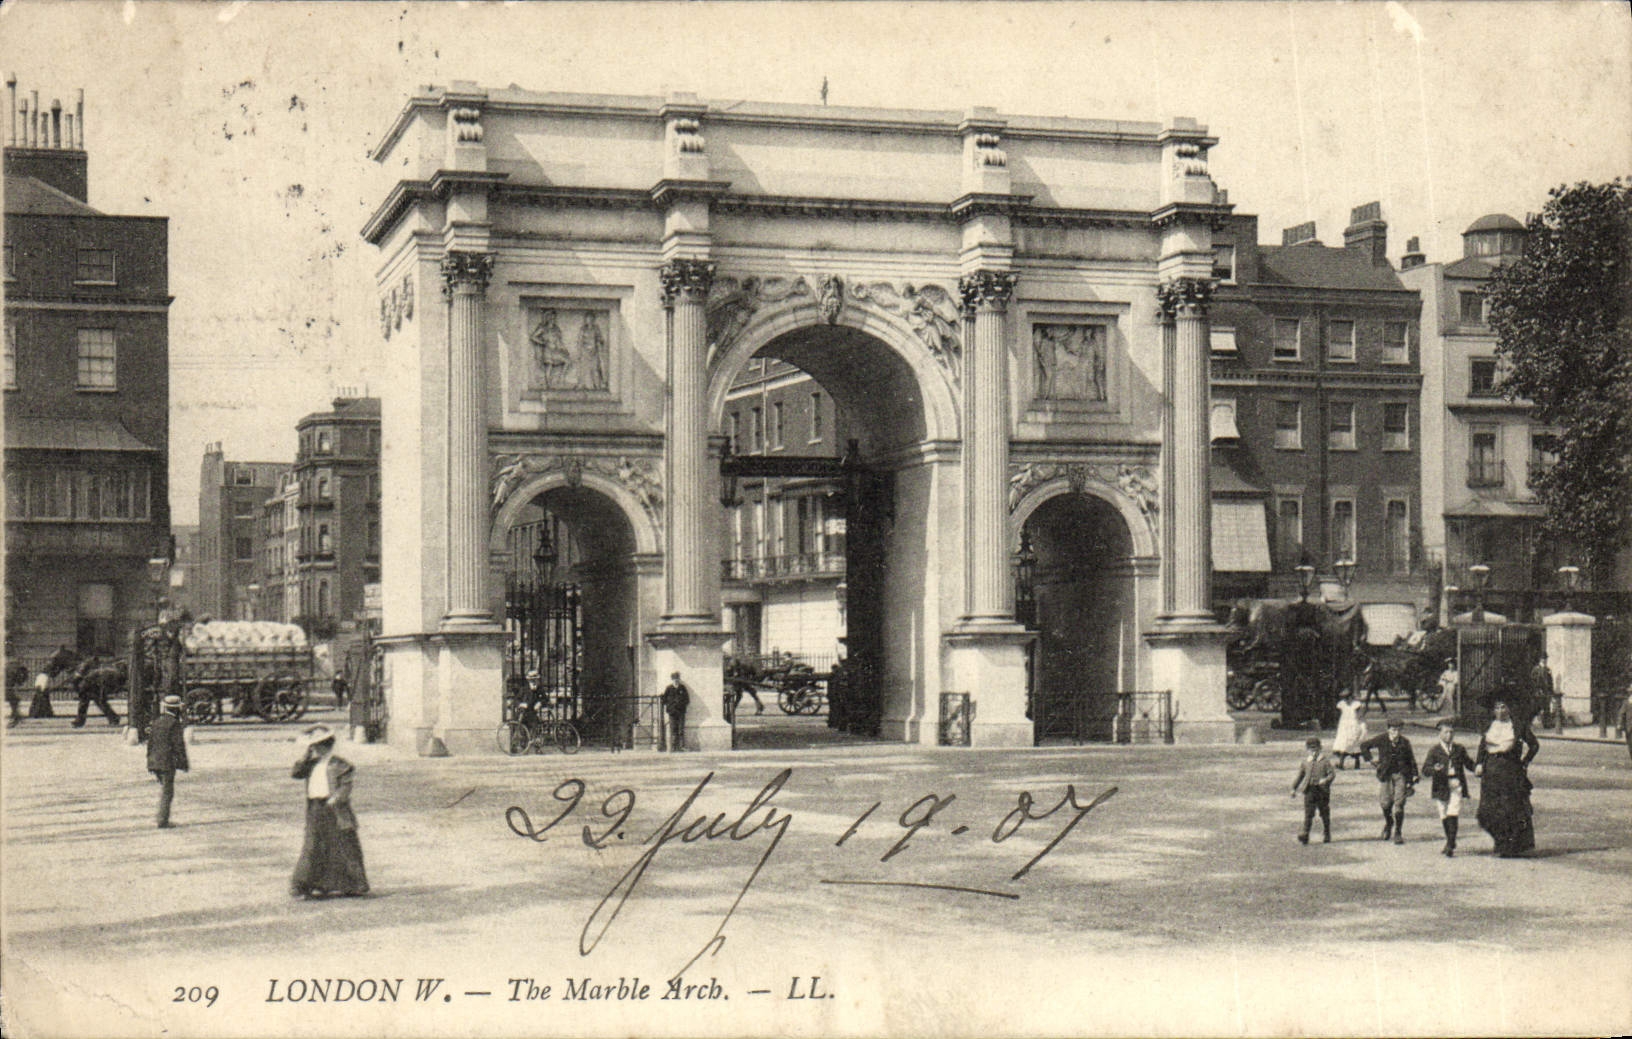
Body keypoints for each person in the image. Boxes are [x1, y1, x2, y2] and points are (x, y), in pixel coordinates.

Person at [290, 726, 369, 899]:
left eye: (318, 746)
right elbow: (296, 773)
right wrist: (305, 757)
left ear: (326, 745)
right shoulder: (310, 764)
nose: (316, 749)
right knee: (313, 845)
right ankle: (303, 885)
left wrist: (337, 798)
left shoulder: (340, 764)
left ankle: (352, 884)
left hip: (333, 808)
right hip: (315, 808)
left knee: (342, 845)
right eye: (313, 746)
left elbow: (346, 786)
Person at [1476, 701, 1540, 858]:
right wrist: (1479, 763)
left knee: (1509, 808)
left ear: (1510, 709)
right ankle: (1500, 840)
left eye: (1503, 707)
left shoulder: (1518, 726)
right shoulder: (1489, 725)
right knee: (1489, 809)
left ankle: (1510, 845)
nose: (1499, 711)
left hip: (1510, 770)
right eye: (1496, 707)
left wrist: (1524, 762)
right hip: (1491, 770)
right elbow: (1482, 746)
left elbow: (1534, 745)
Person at [1420, 718, 1475, 857]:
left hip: (1456, 784)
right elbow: (1425, 770)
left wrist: (1479, 769)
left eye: (1451, 732)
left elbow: (1469, 763)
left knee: (1453, 811)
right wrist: (1434, 769)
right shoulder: (1435, 751)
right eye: (1446, 732)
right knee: (1443, 813)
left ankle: (1450, 844)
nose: (1449, 735)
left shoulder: (1459, 749)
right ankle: (1450, 839)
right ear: (1439, 734)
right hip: (1440, 785)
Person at [1361, 716, 1418, 844]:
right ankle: (1389, 822)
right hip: (1386, 775)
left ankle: (1398, 832)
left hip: (1401, 775)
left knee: (1399, 803)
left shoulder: (1405, 742)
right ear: (1388, 730)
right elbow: (1364, 746)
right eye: (1393, 730)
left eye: (1398, 730)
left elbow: (1411, 760)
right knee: (1385, 803)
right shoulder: (1382, 739)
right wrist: (1371, 760)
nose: (1395, 733)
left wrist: (1414, 775)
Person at [146, 693, 189, 828]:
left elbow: (150, 743)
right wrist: (183, 764)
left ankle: (160, 816)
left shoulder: (157, 722)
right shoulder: (174, 724)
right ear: (177, 709)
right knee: (167, 791)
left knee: (164, 789)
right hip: (167, 762)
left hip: (154, 761)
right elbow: (178, 746)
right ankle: (162, 820)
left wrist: (150, 762)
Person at [1290, 736, 1336, 844]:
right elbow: (1300, 776)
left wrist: (1326, 780)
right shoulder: (1306, 762)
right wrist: (1293, 788)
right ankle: (1305, 834)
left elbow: (1332, 774)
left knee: (1324, 812)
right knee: (1308, 813)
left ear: (1320, 748)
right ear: (1307, 749)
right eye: (1310, 749)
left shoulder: (1325, 761)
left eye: (1315, 748)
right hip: (1309, 790)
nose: (1313, 751)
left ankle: (1327, 832)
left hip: (1322, 791)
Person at [71, 657, 124, 728]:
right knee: (99, 701)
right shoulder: (90, 662)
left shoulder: (87, 662)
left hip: (91, 682)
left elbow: (81, 675)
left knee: (88, 701)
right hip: (93, 682)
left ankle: (80, 721)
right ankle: (113, 717)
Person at [1331, 690, 1368, 769]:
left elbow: (1360, 715)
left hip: (1354, 725)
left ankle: (1357, 763)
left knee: (1354, 743)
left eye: (1347, 698)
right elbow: (1340, 713)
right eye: (1344, 699)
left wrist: (1361, 723)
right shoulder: (1342, 704)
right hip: (1344, 725)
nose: (1346, 700)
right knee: (1343, 744)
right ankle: (1341, 763)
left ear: (1351, 697)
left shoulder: (1356, 705)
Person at [661, 672, 690, 753]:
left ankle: (681, 746)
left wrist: (681, 705)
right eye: (674, 679)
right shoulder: (669, 688)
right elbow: (664, 699)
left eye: (677, 678)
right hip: (672, 712)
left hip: (681, 712)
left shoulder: (682, 688)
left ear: (679, 679)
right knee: (673, 729)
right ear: (672, 680)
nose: (676, 680)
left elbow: (687, 699)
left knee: (681, 729)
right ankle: (673, 747)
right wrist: (670, 706)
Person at [1532, 654, 1560, 733]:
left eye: (1545, 659)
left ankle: (1546, 724)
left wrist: (1551, 692)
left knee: (1546, 708)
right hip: (1539, 692)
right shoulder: (1536, 669)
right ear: (1540, 660)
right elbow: (1533, 681)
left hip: (1547, 692)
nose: (1544, 660)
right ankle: (1533, 723)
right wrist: (1537, 690)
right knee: (1538, 707)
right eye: (1543, 659)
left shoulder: (1547, 669)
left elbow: (1550, 682)